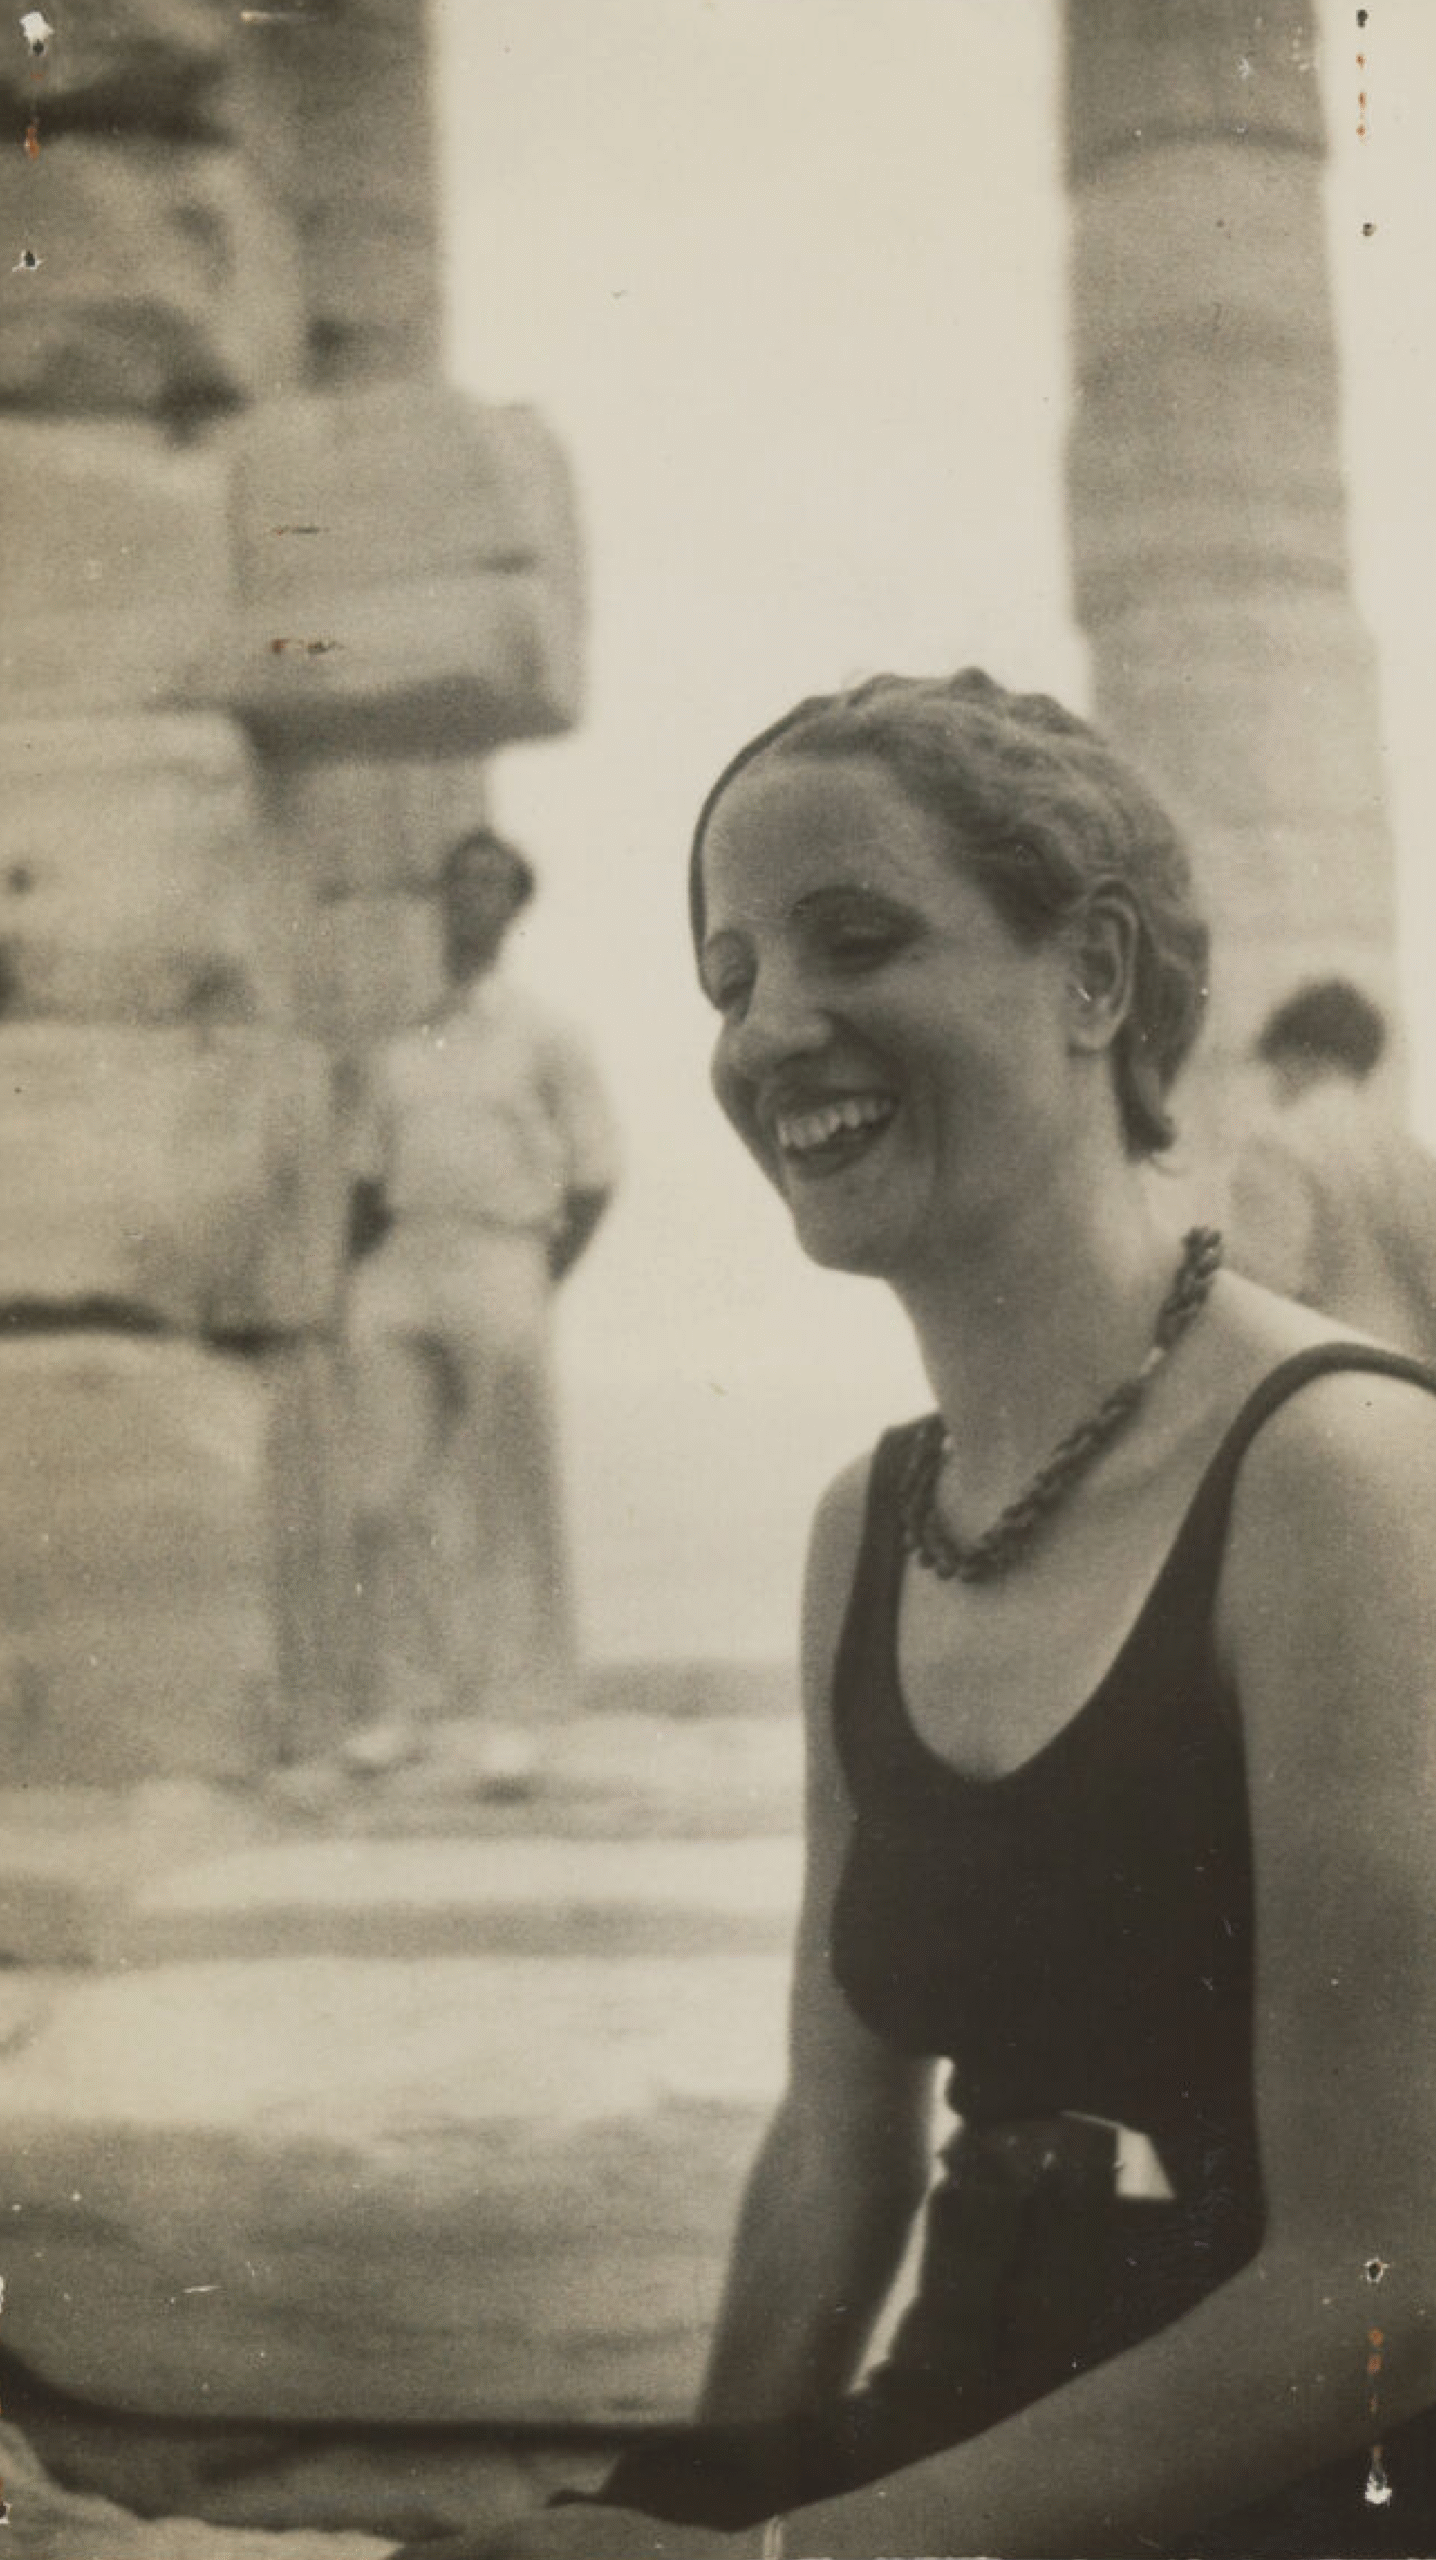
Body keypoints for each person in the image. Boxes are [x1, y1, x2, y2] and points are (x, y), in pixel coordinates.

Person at [405, 673, 1436, 2559]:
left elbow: (1389, 2274)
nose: (772, 1031)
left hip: (1287, 2492)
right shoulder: (864, 1526)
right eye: (728, 981)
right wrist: (695, 2501)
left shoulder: (1341, 1475)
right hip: (953, 2434)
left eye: (855, 940)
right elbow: (836, 2142)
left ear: (1094, 979)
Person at [344, 828, 617, 1776]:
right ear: (438, 902)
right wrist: (363, 1280)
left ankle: (518, 1712)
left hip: (503, 1260)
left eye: (493, 884)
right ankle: (404, 1702)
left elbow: (593, 1176)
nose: (472, 898)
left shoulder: (549, 1036)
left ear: (516, 906)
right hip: (403, 1262)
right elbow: (364, 1176)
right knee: (385, 1495)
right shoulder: (401, 1042)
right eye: (458, 882)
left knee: (509, 1491)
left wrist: (539, 1276)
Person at [1228, 977, 1436, 1362]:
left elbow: (1265, 1295)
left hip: (1332, 1383)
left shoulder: (1279, 1144)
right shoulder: (1412, 1154)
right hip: (1419, 1387)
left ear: (1298, 1057)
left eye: (1277, 1067)